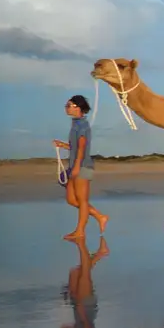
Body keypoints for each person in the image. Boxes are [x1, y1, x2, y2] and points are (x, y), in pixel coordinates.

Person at [54, 95, 109, 241]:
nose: (66, 107)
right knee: (71, 199)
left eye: (69, 105)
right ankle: (100, 216)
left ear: (78, 107)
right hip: (75, 166)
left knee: (82, 200)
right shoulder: (76, 123)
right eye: (66, 105)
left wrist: (77, 167)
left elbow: (82, 147)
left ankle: (80, 231)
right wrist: (63, 145)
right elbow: (75, 147)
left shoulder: (82, 125)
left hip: (82, 166)